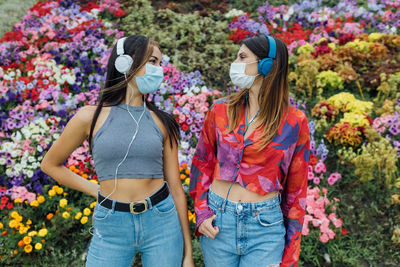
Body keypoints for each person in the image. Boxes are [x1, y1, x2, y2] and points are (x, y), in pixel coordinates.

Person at [41, 35, 194, 267]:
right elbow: (50, 164)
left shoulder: (163, 122)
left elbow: (175, 187)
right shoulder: (88, 117)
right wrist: (95, 190)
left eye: (160, 64)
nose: (158, 70)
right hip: (111, 223)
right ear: (125, 63)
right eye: (152, 61)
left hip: (161, 220)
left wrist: (188, 254)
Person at [189, 34, 310, 267]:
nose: (235, 63)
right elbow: (202, 163)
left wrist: (290, 257)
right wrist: (201, 212)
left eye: (242, 57)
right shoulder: (220, 110)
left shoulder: (295, 122)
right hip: (218, 222)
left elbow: (297, 192)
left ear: (266, 65)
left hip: (265, 228)